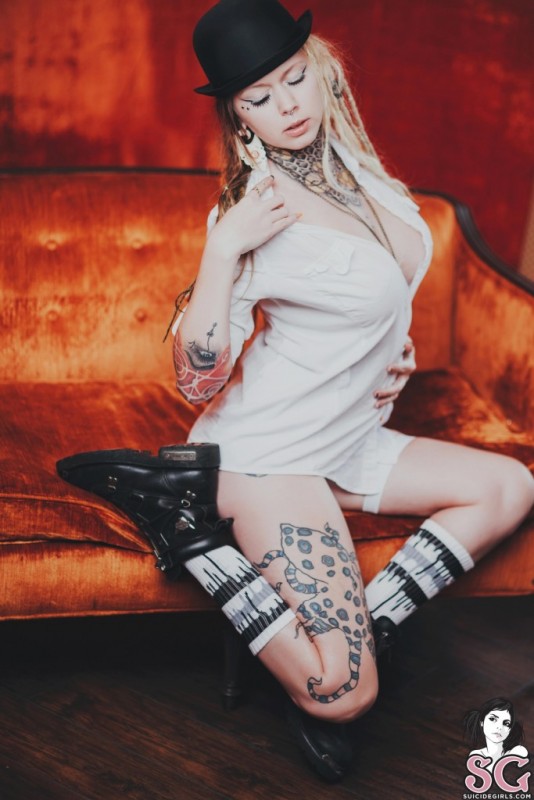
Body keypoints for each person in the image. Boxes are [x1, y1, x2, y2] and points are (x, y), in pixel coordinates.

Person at [58, 0, 534, 783]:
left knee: (509, 488)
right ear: (237, 115)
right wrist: (222, 252)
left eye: (293, 78)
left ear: (319, 69)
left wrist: (393, 352)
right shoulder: (254, 212)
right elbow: (196, 380)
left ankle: (370, 625)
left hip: (346, 437)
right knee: (339, 694)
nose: (287, 105)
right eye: (259, 96)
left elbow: (376, 292)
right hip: (269, 457)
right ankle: (191, 532)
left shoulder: (357, 167)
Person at [464, 698, 528, 772]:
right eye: (492, 719)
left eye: (506, 723)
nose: (499, 727)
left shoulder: (518, 751)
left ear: (510, 729)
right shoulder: (476, 756)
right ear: (482, 722)